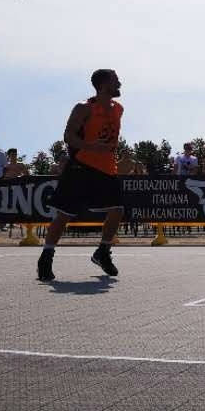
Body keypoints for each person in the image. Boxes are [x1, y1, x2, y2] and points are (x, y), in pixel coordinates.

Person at [37, 69, 127, 282]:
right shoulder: (84, 108)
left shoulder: (118, 109)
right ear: (103, 85)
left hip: (107, 168)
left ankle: (102, 251)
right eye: (115, 80)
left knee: (117, 210)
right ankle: (46, 257)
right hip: (82, 167)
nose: (120, 84)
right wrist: (90, 146)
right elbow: (68, 136)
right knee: (64, 215)